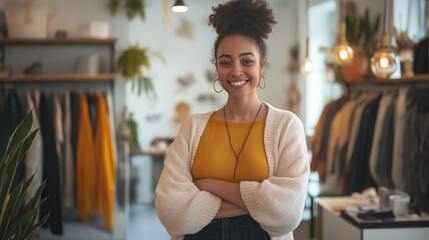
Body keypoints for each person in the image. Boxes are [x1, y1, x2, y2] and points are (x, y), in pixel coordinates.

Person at [155, 0, 309, 239]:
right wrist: (258, 204)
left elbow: (287, 214)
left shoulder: (287, 126)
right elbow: (170, 210)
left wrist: (208, 185)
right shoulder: (193, 127)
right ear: (217, 68)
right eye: (225, 62)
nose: (236, 71)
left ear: (262, 66)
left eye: (247, 61)